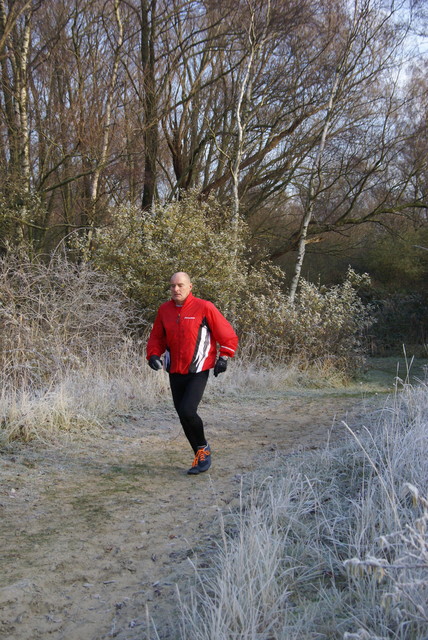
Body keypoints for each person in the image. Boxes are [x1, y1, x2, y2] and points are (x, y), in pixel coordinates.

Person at [146, 272, 238, 475]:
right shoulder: (165, 310)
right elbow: (157, 337)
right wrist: (153, 355)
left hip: (198, 369)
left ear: (190, 286)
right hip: (174, 370)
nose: (175, 289)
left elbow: (227, 334)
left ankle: (203, 449)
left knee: (188, 410)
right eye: (172, 286)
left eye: (180, 285)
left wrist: (224, 356)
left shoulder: (204, 307)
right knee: (182, 415)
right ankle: (199, 454)